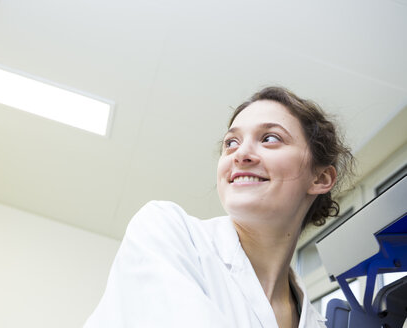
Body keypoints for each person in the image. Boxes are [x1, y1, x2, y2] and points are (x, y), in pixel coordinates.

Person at [84, 86, 354, 328]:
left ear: (320, 178)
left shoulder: (315, 323)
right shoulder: (165, 231)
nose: (241, 154)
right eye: (231, 143)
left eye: (270, 138)